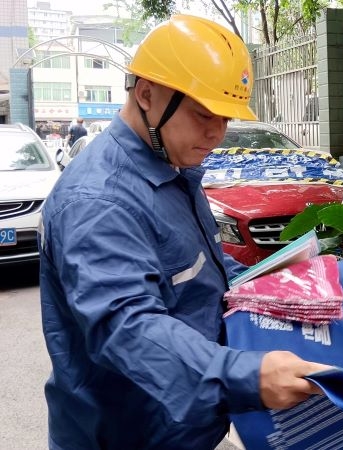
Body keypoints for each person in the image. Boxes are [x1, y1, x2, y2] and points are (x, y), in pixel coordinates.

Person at [38, 15, 327, 449]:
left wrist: (301, 287)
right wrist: (250, 375)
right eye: (202, 114)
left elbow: (201, 268)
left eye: (225, 118)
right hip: (123, 436)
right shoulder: (98, 201)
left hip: (181, 430)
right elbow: (127, 327)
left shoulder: (172, 170)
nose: (217, 133)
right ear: (147, 94)